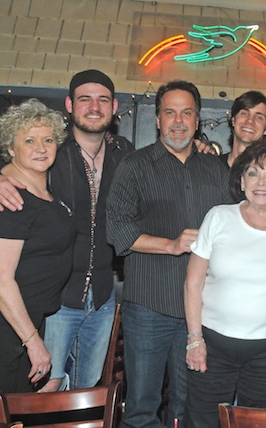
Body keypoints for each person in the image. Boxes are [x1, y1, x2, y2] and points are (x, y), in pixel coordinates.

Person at [0, 69, 135, 392]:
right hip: (56, 300)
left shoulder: (124, 154)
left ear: (114, 108)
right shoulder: (51, 148)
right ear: (70, 105)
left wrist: (201, 150)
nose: (94, 107)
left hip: (101, 296)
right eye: (85, 99)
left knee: (86, 392)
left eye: (103, 100)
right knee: (45, 390)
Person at [106, 80, 232, 428]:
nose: (178, 121)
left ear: (197, 120)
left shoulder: (217, 169)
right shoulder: (135, 166)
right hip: (149, 305)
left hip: (203, 311)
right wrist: (171, 245)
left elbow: (240, 223)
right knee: (142, 406)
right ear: (158, 119)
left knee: (188, 403)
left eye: (186, 113)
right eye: (170, 112)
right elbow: (117, 230)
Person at [0, 99, 75, 420]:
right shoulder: (8, 196)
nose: (41, 148)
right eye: (29, 140)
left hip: (20, 323)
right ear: (10, 148)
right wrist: (33, 341)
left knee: (13, 415)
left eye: (48, 139)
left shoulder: (41, 189)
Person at [184, 142, 266, 427]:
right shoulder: (218, 217)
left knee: (263, 424)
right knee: (202, 422)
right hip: (213, 345)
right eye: (253, 174)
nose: (261, 182)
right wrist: (195, 340)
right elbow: (193, 284)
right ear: (241, 181)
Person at [220, 90, 266, 168]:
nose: (250, 120)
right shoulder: (210, 167)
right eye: (244, 113)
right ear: (233, 121)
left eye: (259, 117)